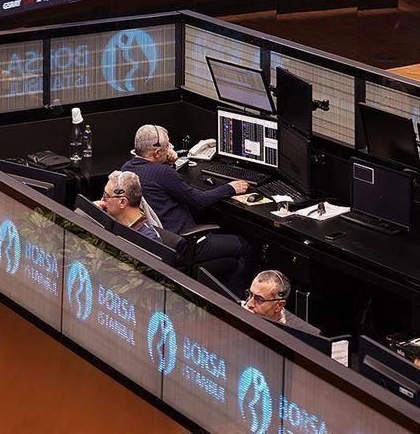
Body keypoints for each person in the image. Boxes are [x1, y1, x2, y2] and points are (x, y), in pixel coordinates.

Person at [122, 124, 252, 292]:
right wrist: (230, 188)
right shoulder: (162, 173)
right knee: (244, 246)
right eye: (167, 146)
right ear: (157, 152)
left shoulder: (127, 169)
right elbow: (199, 200)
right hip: (184, 243)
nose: (170, 149)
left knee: (229, 256)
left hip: (161, 240)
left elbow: (158, 183)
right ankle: (237, 303)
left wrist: (168, 164)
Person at [242, 270, 319, 334]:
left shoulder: (301, 336)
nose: (249, 304)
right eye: (250, 294)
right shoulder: (239, 310)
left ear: (279, 306)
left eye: (259, 299)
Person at [98, 170, 161, 243]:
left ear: (122, 202)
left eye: (106, 196)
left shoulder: (148, 240)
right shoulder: (111, 222)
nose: (102, 200)